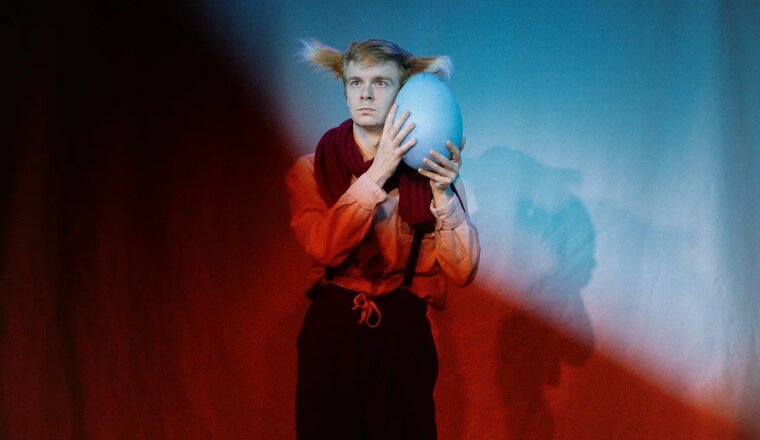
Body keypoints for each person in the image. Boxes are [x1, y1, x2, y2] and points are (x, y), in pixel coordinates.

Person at [286, 38, 480, 439]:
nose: (366, 94)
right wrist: (378, 173)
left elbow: (463, 272)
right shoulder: (311, 170)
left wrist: (442, 194)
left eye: (380, 82)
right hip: (333, 336)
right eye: (356, 82)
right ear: (345, 91)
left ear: (402, 93)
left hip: (402, 339)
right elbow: (324, 247)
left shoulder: (432, 175)